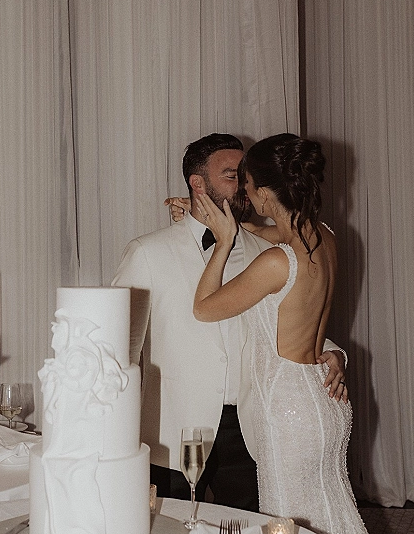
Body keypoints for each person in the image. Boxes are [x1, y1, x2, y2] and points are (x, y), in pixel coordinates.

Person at [193, 132, 414, 534]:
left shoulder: (275, 262)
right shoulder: (327, 238)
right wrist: (233, 225)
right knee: (339, 527)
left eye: (246, 186)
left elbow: (205, 307)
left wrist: (220, 244)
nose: (243, 195)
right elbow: (274, 234)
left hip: (289, 408)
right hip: (323, 396)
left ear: (265, 193)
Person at [112, 132, 346, 509]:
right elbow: (120, 351)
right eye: (232, 175)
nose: (243, 186)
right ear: (197, 183)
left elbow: (291, 317)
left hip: (251, 425)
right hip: (174, 428)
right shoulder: (147, 253)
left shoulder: (269, 249)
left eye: (246, 177)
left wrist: (332, 352)